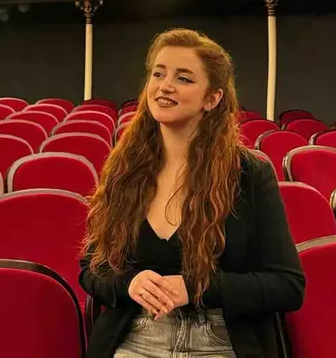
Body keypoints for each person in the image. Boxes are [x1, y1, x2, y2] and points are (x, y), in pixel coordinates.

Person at [79, 28, 305, 358]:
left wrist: (199, 288)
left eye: (184, 79)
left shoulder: (247, 174)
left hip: (219, 340)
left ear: (211, 99)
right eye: (158, 73)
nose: (165, 85)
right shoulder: (124, 169)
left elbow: (287, 285)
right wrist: (128, 282)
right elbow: (91, 268)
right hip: (136, 337)